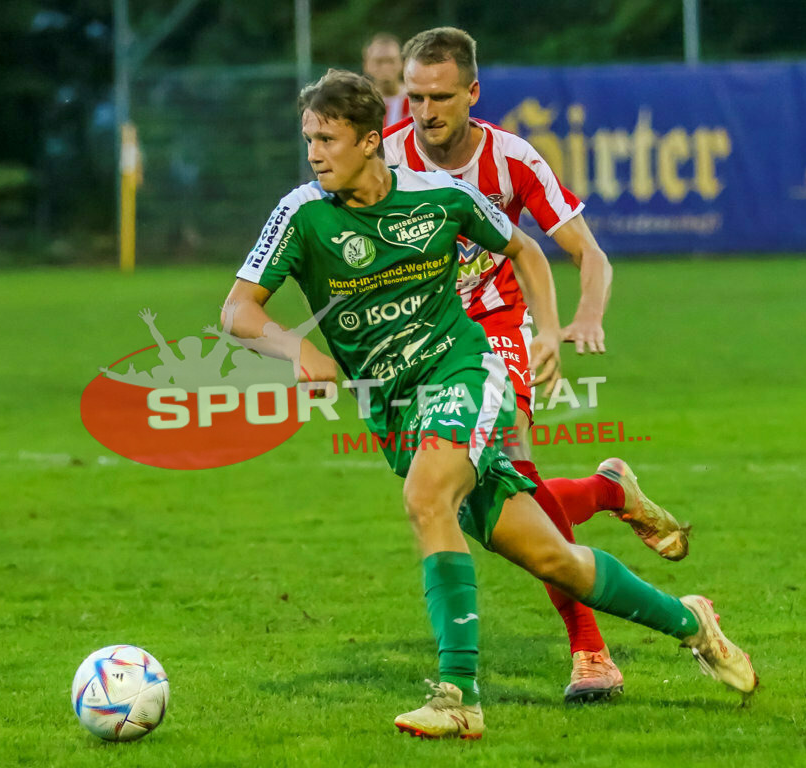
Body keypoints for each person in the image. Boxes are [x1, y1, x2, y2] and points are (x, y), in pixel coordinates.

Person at [221, 68, 756, 740]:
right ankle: (692, 623)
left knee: (426, 498)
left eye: (327, 139)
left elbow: (525, 250)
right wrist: (293, 348)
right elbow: (238, 310)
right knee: (553, 558)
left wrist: (545, 330)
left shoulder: (440, 196)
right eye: (309, 140)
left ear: (368, 140)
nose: (314, 154)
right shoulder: (301, 212)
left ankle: (458, 697)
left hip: (464, 371)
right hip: (395, 409)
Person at [385, 27, 690, 702]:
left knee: (513, 466)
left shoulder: (512, 159)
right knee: (488, 504)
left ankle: (590, 651)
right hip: (428, 343)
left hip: (499, 329)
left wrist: (584, 317)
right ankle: (608, 491)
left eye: (441, 97)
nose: (426, 111)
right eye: (415, 97)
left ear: (472, 93)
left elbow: (589, 252)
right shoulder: (388, 158)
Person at [362, 33, 409, 128]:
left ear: (402, 64)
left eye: (391, 61)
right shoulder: (359, 104)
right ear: (366, 65)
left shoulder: (418, 99)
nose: (385, 67)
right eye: (379, 61)